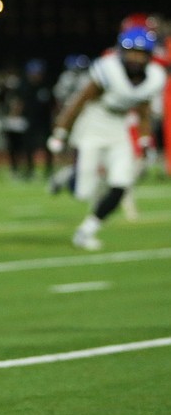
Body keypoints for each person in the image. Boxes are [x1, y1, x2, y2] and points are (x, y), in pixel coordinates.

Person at [46, 25, 166, 251]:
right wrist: (60, 132)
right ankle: (68, 176)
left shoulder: (154, 78)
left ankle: (86, 231)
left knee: (121, 183)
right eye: (131, 52)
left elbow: (143, 110)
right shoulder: (108, 69)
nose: (135, 59)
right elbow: (79, 101)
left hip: (118, 127)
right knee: (83, 193)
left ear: (149, 56)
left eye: (141, 53)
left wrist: (144, 140)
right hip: (93, 123)